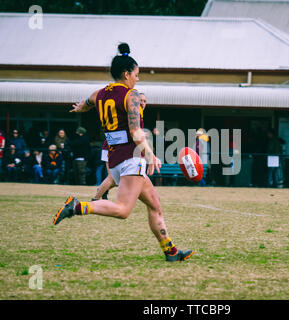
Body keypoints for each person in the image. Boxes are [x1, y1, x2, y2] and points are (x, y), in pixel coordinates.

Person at [52, 43, 193, 262]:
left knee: (155, 205)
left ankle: (171, 252)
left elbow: (88, 102)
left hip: (115, 160)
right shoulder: (132, 95)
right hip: (131, 158)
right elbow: (136, 131)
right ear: (127, 74)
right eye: (136, 75)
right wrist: (150, 154)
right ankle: (77, 207)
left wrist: (81, 107)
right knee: (123, 210)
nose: (138, 79)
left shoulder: (100, 93)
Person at [92, 93, 148, 200]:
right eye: (140, 100)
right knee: (112, 178)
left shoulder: (138, 114)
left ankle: (103, 192)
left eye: (145, 101)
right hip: (111, 147)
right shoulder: (132, 112)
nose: (142, 103)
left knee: (116, 179)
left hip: (117, 148)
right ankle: (95, 199)